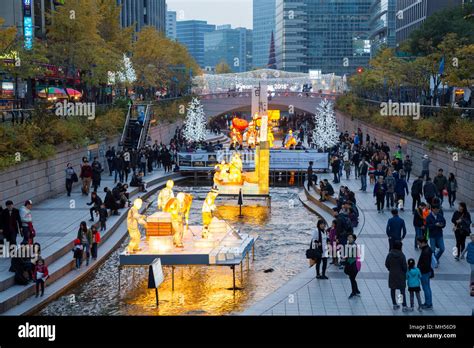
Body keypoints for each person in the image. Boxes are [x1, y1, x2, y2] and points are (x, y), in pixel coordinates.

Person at [385, 240, 408, 311]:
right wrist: (404, 271)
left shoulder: (390, 254)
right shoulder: (402, 255)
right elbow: (404, 267)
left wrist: (390, 269)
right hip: (401, 275)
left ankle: (394, 304)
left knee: (393, 289)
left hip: (392, 274)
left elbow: (386, 264)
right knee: (402, 290)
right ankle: (403, 305)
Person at [417, 237, 433, 310]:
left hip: (424, 272)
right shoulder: (427, 249)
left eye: (419, 243)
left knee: (426, 288)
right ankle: (428, 302)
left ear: (423, 243)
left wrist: (419, 269)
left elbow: (425, 264)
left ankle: (428, 303)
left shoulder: (425, 251)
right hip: (427, 271)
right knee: (427, 288)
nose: (418, 245)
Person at [344, 234, 361, 299]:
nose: (349, 238)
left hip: (354, 265)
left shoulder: (354, 246)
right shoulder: (349, 245)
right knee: (352, 278)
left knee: (352, 279)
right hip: (351, 264)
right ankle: (356, 290)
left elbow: (351, 256)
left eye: (351, 237)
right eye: (349, 237)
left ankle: (353, 292)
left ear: (354, 239)